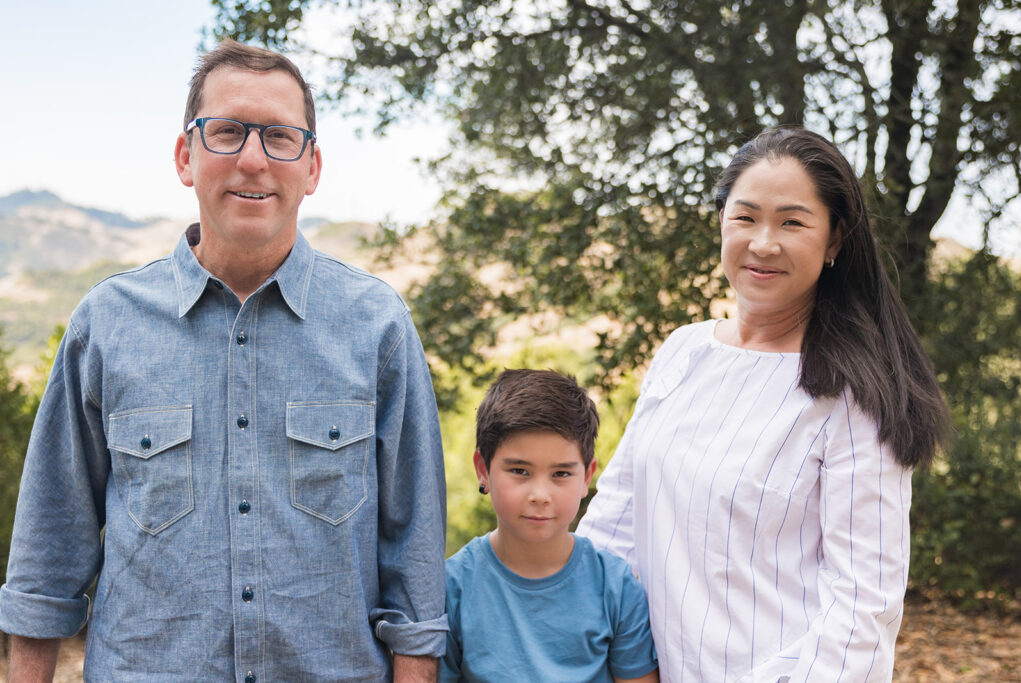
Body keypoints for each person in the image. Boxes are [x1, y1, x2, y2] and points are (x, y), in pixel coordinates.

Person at [0, 40, 447, 682]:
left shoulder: (377, 326)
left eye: (280, 137)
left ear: (312, 167)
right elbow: (47, 555)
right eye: (229, 131)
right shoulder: (106, 323)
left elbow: (416, 566)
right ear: (187, 157)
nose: (253, 158)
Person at [577, 126, 949, 682]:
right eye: (745, 217)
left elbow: (861, 609)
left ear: (835, 241)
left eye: (793, 222)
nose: (764, 242)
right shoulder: (684, 351)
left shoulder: (855, 394)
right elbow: (613, 525)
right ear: (722, 222)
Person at [443, 369, 659, 683]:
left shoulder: (616, 587)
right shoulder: (452, 589)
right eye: (519, 470)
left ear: (587, 477)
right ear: (483, 470)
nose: (540, 496)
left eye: (561, 474)